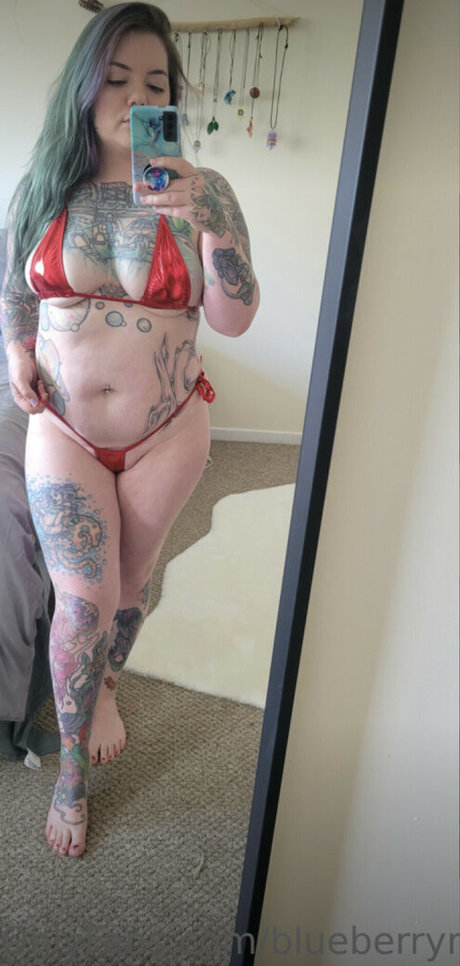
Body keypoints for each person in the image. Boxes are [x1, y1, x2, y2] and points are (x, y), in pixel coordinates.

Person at [0, 2, 259, 858]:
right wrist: (17, 354)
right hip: (64, 429)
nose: (135, 97)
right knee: (84, 599)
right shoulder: (45, 186)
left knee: (131, 582)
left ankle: (105, 688)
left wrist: (212, 217)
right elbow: (14, 288)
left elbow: (236, 316)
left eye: (154, 82)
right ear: (83, 88)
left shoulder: (203, 191)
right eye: (115, 79)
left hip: (167, 430)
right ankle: (71, 770)